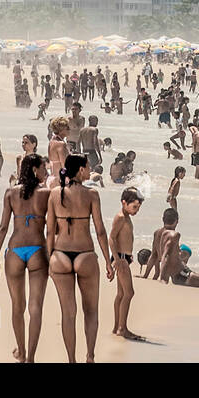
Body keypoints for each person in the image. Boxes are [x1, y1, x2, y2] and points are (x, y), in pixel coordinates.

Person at [46, 154, 114, 363]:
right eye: (88, 167)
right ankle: (90, 356)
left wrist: (49, 258)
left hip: (60, 254)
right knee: (91, 311)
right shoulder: (91, 194)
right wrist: (108, 261)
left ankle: (71, 360)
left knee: (68, 313)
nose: (89, 170)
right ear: (81, 170)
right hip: (85, 254)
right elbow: (100, 231)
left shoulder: (55, 193)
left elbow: (50, 231)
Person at [0, 153, 50, 362]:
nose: (47, 171)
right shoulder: (46, 193)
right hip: (37, 250)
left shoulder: (10, 192)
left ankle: (22, 351)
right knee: (35, 308)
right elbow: (52, 229)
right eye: (44, 168)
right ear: (35, 169)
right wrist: (52, 255)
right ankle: (31, 357)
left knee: (18, 306)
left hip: (14, 250)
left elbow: (3, 227)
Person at [109, 186, 145, 341]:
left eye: (138, 207)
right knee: (129, 293)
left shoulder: (126, 217)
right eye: (134, 207)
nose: (136, 210)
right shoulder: (121, 217)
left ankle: (117, 326)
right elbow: (111, 238)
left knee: (121, 294)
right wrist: (116, 260)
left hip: (124, 258)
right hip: (121, 259)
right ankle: (122, 328)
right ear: (124, 203)